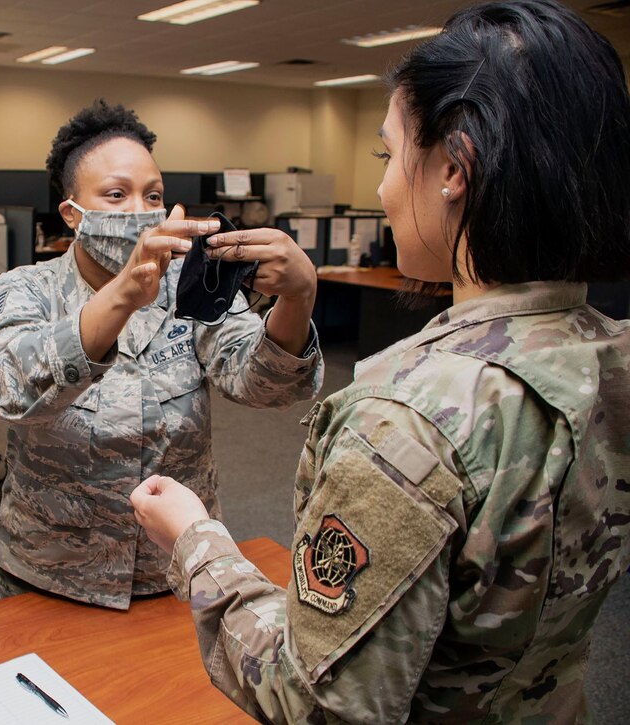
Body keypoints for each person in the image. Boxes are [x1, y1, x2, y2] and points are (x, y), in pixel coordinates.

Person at [131, 0, 630, 721]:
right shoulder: (606, 354)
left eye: (390, 155)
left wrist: (197, 541)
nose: (382, 188)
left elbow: (315, 700)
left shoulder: (406, 419)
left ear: (454, 168)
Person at [0, 100, 323, 610]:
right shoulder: (26, 289)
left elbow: (265, 386)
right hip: (53, 573)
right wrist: (122, 296)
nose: (140, 211)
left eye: (152, 195)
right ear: (72, 212)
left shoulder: (188, 285)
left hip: (174, 570)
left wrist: (297, 298)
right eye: (116, 195)